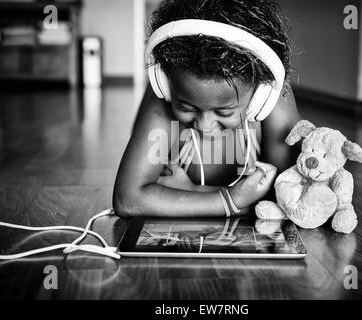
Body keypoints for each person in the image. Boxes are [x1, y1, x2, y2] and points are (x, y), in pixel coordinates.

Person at [113, 0, 300, 218]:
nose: (204, 124)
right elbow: (127, 200)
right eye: (186, 107)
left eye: (224, 112)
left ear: (261, 97)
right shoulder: (164, 98)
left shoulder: (274, 100)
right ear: (164, 84)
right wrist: (231, 200)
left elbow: (290, 201)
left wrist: (192, 192)